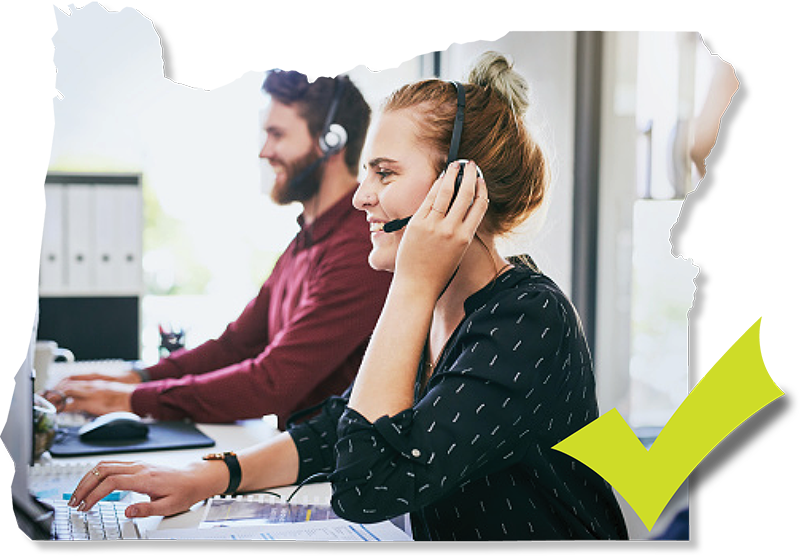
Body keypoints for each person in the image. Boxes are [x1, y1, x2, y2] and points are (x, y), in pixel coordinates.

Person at [68, 52, 628, 540]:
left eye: (384, 175)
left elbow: (370, 486)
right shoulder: (440, 308)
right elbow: (339, 426)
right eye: (365, 173)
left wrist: (410, 285)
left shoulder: (527, 318)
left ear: (459, 187)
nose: (361, 197)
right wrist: (213, 475)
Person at [46, 71, 393, 428]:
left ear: (331, 142)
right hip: (290, 459)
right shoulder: (305, 240)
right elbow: (234, 346)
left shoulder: (359, 249)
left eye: (277, 134)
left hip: (326, 472)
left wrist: (131, 400)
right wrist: (137, 379)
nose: (264, 151)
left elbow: (272, 382)